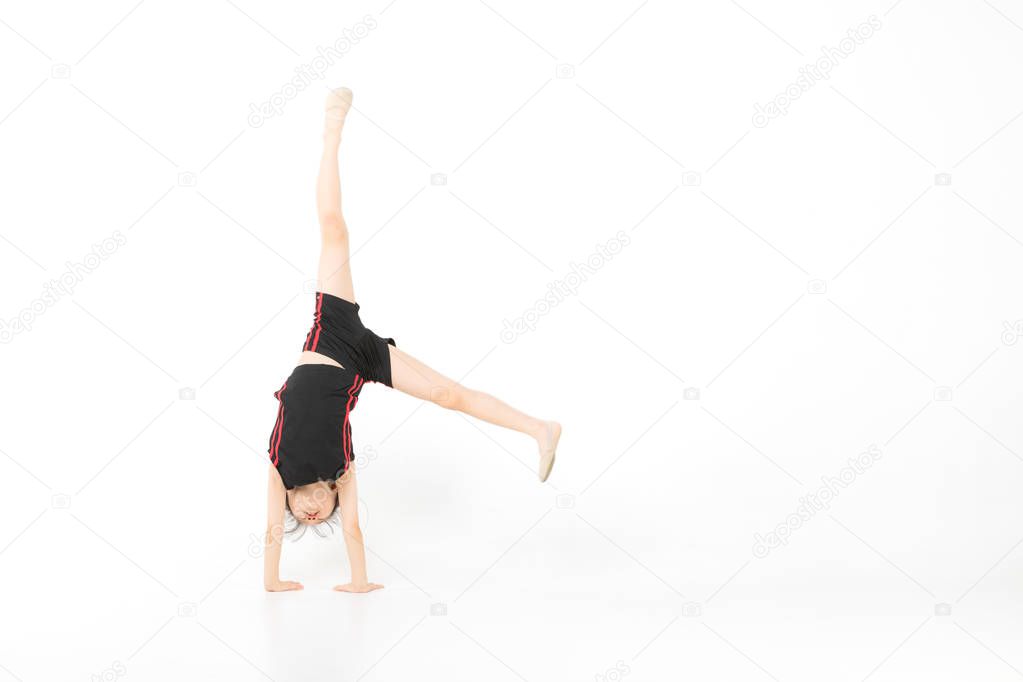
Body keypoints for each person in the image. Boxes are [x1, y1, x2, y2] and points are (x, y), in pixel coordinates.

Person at [263, 88, 562, 593]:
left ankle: (332, 129)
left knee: (334, 231)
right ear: (333, 497)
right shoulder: (342, 469)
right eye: (322, 513)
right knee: (449, 395)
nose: (312, 510)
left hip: (331, 334)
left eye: (303, 511)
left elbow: (271, 529)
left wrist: (271, 581)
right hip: (361, 362)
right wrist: (359, 583)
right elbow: (353, 528)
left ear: (291, 499)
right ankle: (540, 427)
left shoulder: (278, 466)